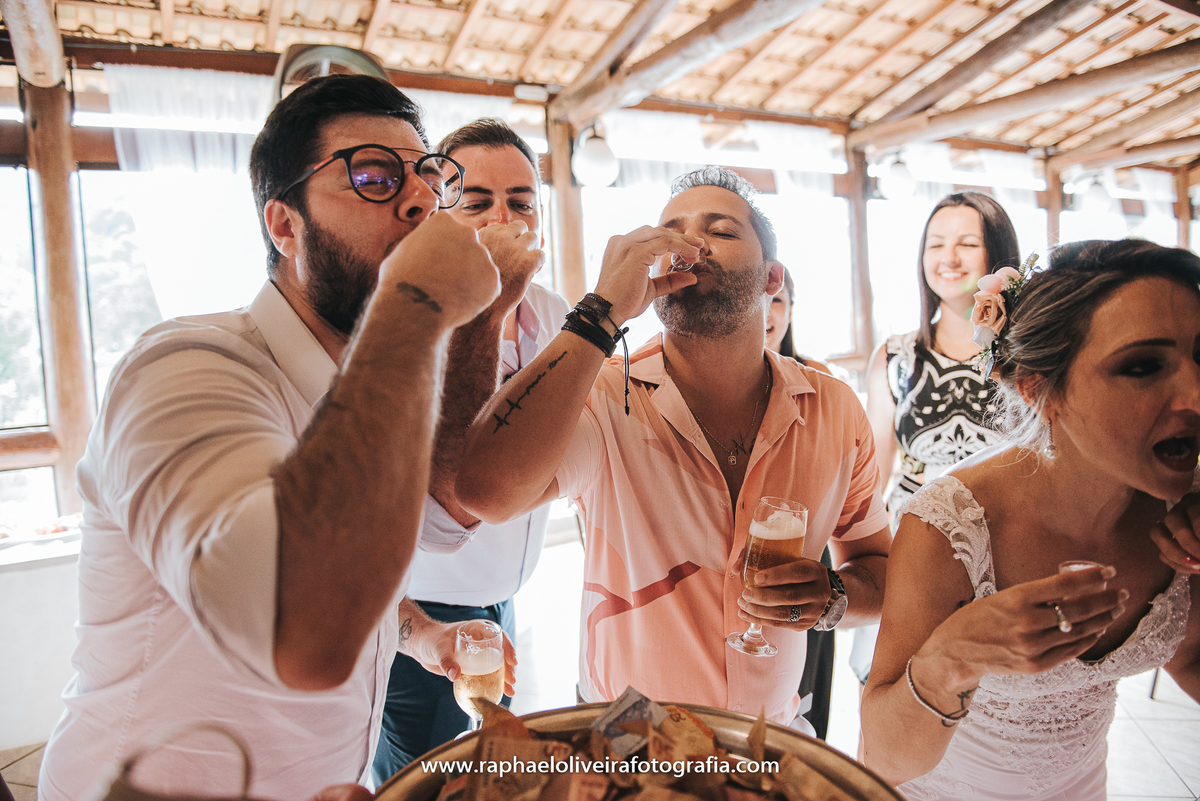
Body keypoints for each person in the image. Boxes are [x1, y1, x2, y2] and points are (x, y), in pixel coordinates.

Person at [37, 74, 521, 799]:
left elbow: (439, 519)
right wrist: (415, 302)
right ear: (284, 224)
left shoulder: (369, 393)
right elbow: (295, 622)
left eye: (426, 174)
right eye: (373, 176)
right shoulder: (183, 368)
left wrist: (421, 633)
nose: (422, 200)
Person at [456, 166, 892, 726]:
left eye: (722, 230)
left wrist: (833, 597)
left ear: (771, 278)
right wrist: (599, 313)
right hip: (628, 740)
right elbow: (485, 492)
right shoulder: (604, 395)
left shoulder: (832, 409)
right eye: (672, 230)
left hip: (770, 737)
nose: (690, 243)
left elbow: (878, 566)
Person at [861, 239, 1200, 800]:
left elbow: (1189, 652)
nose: (1195, 394)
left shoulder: (1184, 505)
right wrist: (950, 659)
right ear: (1040, 390)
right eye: (1143, 366)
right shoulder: (952, 527)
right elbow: (880, 759)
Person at [373, 119, 570, 782]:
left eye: (519, 201)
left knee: (494, 774)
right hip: (418, 618)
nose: (500, 217)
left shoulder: (549, 311)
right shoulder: (400, 321)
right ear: (434, 208)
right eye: (477, 200)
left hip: (503, 602)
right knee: (422, 783)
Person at [854, 193, 1021, 689]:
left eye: (967, 244)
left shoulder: (1031, 359)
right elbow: (871, 480)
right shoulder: (895, 357)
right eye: (936, 244)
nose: (948, 258)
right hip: (914, 565)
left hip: (1009, 564)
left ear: (999, 258)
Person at [765, 267, 835, 739]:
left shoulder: (821, 382)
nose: (768, 313)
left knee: (804, 712)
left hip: (807, 550)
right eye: (760, 298)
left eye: (779, 301)